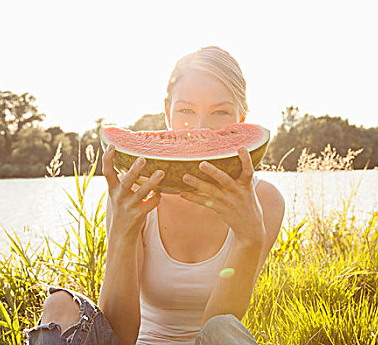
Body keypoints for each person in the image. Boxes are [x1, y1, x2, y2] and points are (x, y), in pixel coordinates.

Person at [24, 46, 285, 345]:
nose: (199, 129)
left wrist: (250, 237)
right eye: (186, 110)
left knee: (224, 329)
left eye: (220, 112)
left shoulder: (265, 201)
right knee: (58, 303)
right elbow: (119, 335)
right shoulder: (134, 195)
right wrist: (123, 231)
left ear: (241, 117)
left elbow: (217, 329)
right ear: (167, 112)